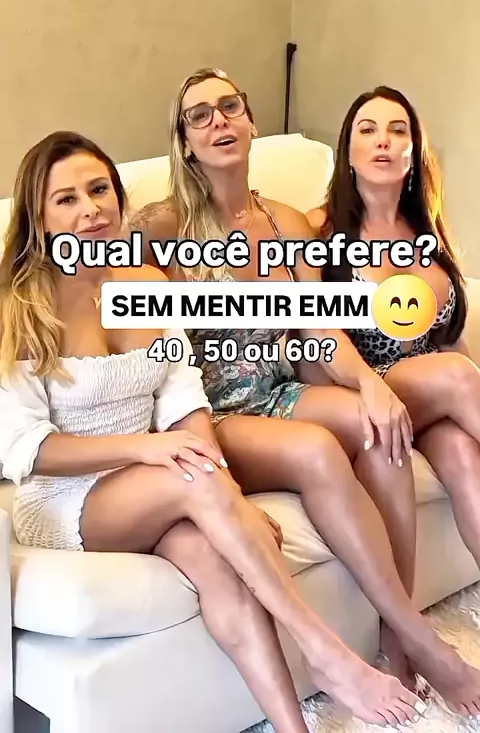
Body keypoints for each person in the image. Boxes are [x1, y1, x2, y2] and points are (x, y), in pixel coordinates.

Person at [0, 131, 432, 733]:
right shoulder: (20, 306)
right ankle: (324, 651)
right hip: (68, 500)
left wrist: (229, 501)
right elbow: (27, 450)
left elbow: (185, 397)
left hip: (154, 482)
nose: (90, 210)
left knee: (219, 566)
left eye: (99, 190)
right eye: (66, 199)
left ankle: (293, 728)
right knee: (193, 476)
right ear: (39, 216)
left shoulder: (147, 287)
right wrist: (153, 450)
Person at [132, 67, 480, 719]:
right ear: (184, 140)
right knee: (319, 448)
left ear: (251, 121)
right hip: (211, 411)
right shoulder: (161, 228)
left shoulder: (287, 222)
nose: (218, 121)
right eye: (199, 115)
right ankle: (420, 639)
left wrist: (370, 385)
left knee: (377, 426)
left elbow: (319, 329)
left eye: (229, 107)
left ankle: (396, 636)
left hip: (279, 390)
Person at [306, 84, 480, 632]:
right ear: (348, 152)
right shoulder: (320, 229)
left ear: (413, 151)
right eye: (368, 130)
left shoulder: (428, 229)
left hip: (430, 394)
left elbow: (450, 339)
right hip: (366, 388)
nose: (383, 140)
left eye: (397, 130)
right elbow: (318, 333)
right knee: (457, 377)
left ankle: (401, 640)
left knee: (463, 456)